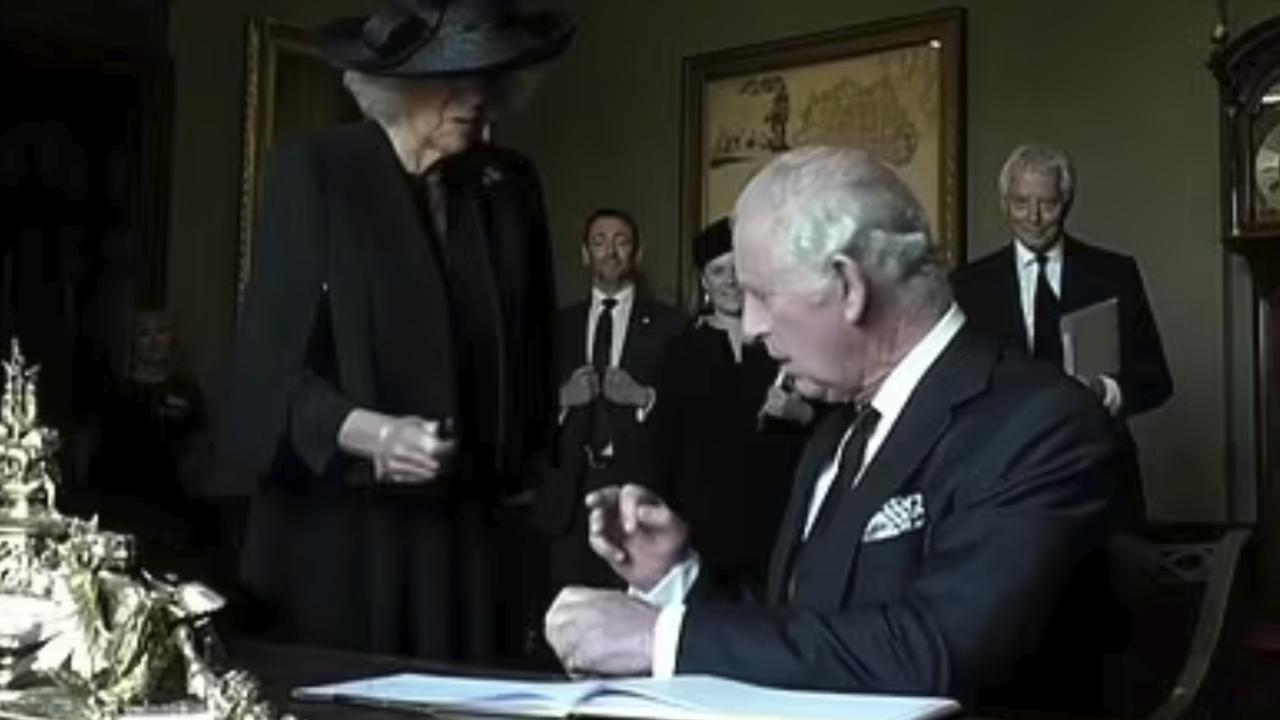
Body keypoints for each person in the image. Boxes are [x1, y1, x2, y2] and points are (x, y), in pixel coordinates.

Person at [544, 146, 1121, 714]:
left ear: (849, 287)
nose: (750, 329)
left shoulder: (1042, 426)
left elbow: (937, 653)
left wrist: (660, 639)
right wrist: (674, 580)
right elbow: (805, 630)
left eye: (761, 296)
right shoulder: (837, 429)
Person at [220, 0, 572, 660]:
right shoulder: (320, 172)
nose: (477, 96)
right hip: (349, 535)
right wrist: (369, 432)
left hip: (471, 538)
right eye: (453, 76)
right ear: (396, 84)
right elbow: (268, 371)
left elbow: (533, 355)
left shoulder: (508, 184)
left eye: (489, 74)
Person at [951, 142, 1172, 525]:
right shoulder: (968, 286)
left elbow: (1155, 378)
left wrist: (1106, 391)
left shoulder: (1114, 274)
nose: (1034, 217)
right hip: (1002, 482)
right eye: (1021, 203)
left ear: (1066, 203)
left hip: (1100, 478)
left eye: (1048, 204)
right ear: (1004, 203)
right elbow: (953, 387)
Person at [645, 217, 814, 586]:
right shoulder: (680, 353)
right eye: (718, 270)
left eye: (738, 268)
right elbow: (660, 449)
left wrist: (800, 414)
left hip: (780, 525)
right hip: (703, 531)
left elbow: (833, 428)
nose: (730, 280)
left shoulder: (787, 341)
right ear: (704, 281)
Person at [531, 208, 683, 591]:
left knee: (630, 615)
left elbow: (688, 411)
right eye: (599, 242)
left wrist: (643, 396)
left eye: (621, 242)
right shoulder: (555, 326)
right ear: (585, 254)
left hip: (636, 490)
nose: (610, 252)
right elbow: (524, 410)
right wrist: (562, 399)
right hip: (569, 494)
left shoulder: (671, 326)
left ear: (638, 252)